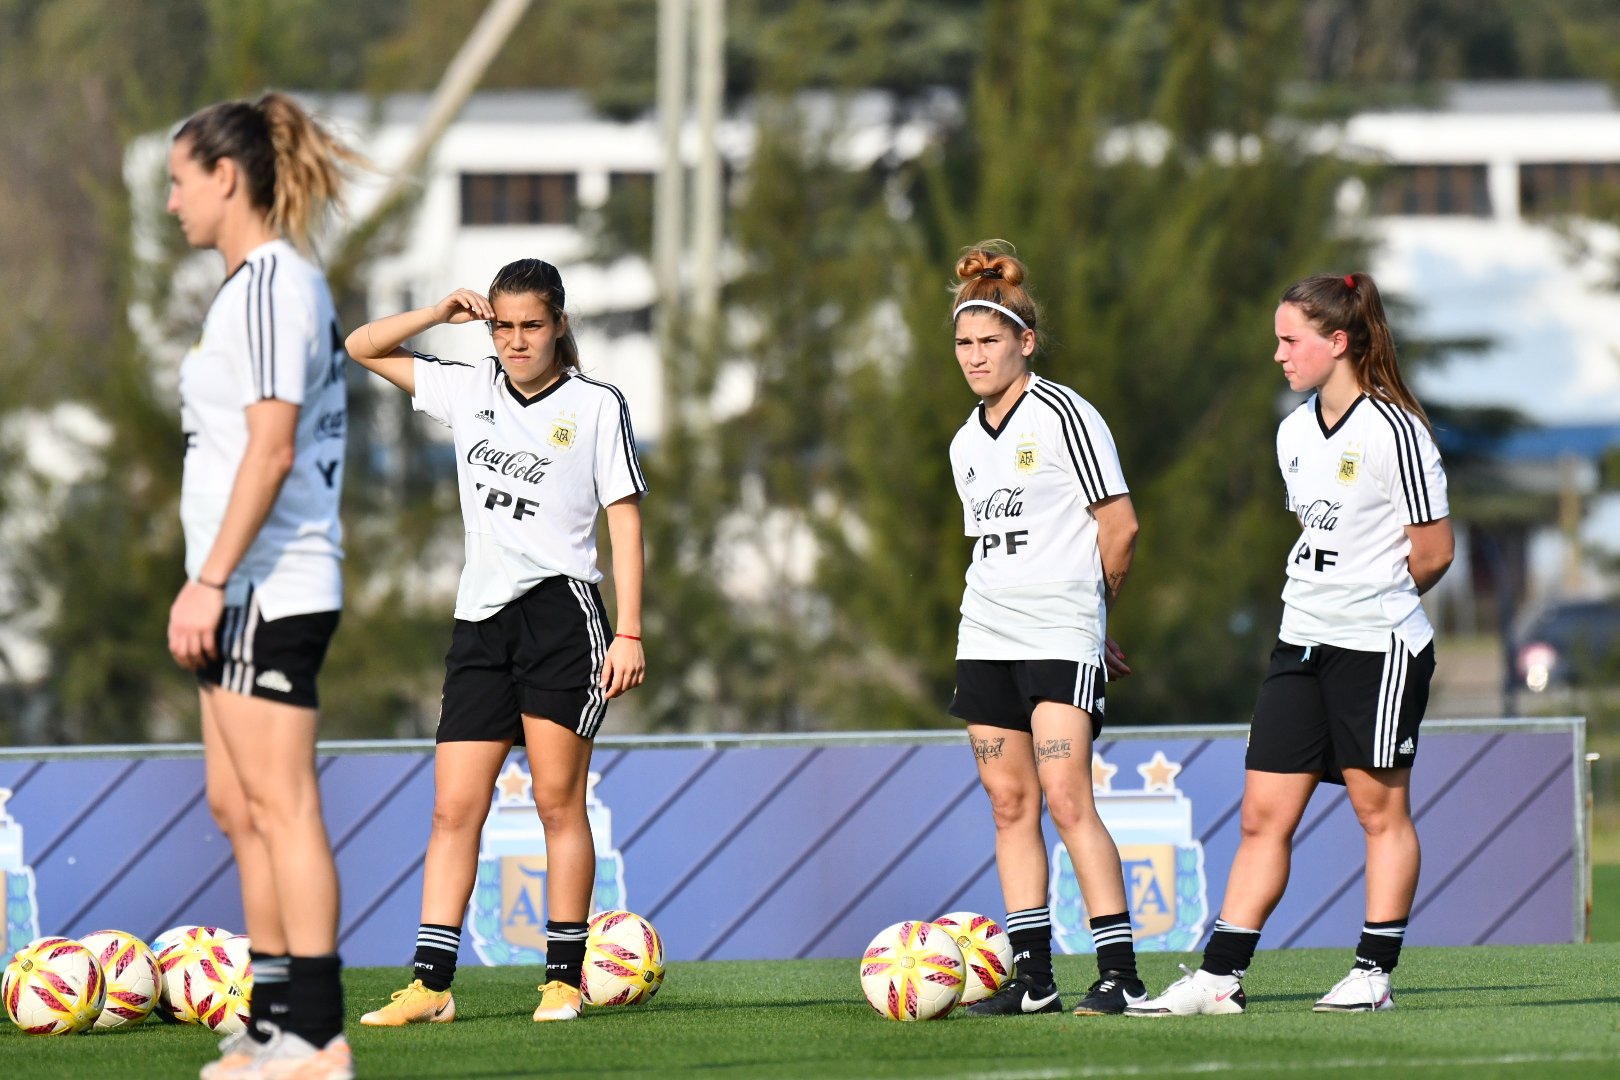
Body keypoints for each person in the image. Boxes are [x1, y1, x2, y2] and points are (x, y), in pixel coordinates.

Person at [1126, 271, 1453, 1017]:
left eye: (1288, 340)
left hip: (1377, 646)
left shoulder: (1395, 430)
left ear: (1336, 342)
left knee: (1379, 814)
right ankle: (1219, 978)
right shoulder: (1293, 432)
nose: (1277, 354)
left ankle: (1373, 973)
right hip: (1297, 642)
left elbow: (1433, 552)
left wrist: (1370, 601)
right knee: (1260, 817)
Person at [346, 258, 647, 1027]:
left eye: (532, 325)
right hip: (479, 623)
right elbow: (362, 347)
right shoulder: (468, 386)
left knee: (555, 802)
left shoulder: (594, 405)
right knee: (453, 809)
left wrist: (632, 630)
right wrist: (436, 313)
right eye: (503, 325)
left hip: (563, 618)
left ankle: (561, 979)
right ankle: (431, 986)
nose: (516, 340)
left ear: (560, 326)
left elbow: (625, 520)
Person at [164, 93, 361, 1079]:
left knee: (282, 805)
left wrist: (209, 580)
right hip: (237, 585)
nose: (171, 204)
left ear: (226, 177)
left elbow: (273, 449)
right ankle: (274, 1017)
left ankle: (317, 1034)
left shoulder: (278, 283)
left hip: (271, 583)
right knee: (234, 806)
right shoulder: (243, 288)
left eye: (179, 181)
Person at [944, 241, 1148, 1017]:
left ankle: (1120, 974)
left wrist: (1096, 615)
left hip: (1061, 634)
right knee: (1008, 804)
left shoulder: (1065, 413)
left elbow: (1119, 527)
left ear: (1023, 342)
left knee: (1068, 798)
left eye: (989, 340)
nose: (974, 356)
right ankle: (1032, 979)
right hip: (985, 636)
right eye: (963, 343)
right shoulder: (966, 441)